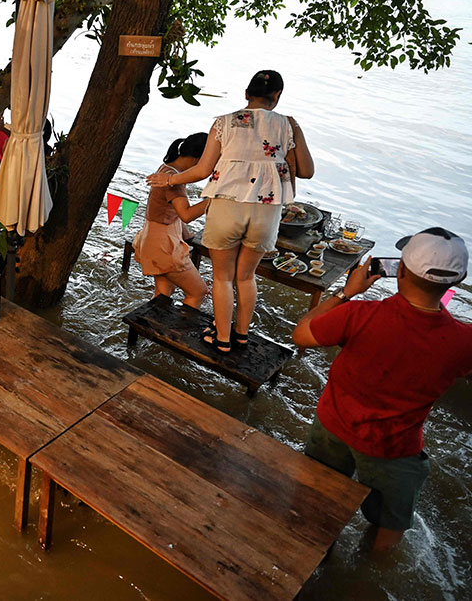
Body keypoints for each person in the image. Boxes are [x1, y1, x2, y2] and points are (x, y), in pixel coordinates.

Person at [292, 228, 471, 551]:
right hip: (395, 447)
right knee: (389, 525)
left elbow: (302, 335)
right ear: (455, 283)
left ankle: (312, 550)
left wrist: (346, 293)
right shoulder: (464, 342)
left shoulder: (358, 314)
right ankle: (365, 577)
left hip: (333, 426)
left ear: (399, 271)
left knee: (315, 502)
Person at [146, 70, 315, 352]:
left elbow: (203, 170)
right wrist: (295, 130)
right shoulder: (288, 125)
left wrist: (170, 179)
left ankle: (222, 338)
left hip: (226, 207)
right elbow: (307, 171)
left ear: (246, 94)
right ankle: (242, 334)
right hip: (266, 211)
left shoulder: (223, 123)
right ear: (277, 97)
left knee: (222, 277)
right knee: (246, 277)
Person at [133, 133, 210, 308]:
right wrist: (213, 200)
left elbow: (169, 211)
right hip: (163, 246)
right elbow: (186, 214)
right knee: (198, 292)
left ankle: (153, 329)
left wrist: (187, 235)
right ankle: (178, 332)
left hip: (152, 239)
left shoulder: (166, 169)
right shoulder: (172, 180)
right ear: (199, 159)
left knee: (164, 293)